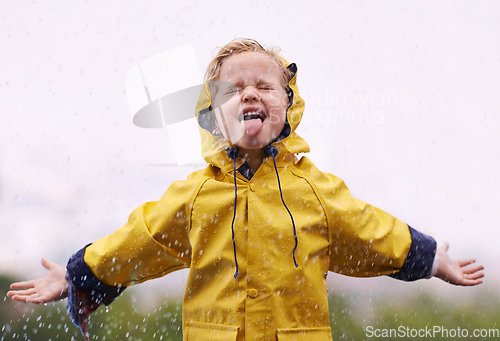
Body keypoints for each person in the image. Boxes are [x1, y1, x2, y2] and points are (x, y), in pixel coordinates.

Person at [8, 38, 484, 341]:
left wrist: (432, 259)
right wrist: (78, 275)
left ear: (288, 106)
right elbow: (139, 239)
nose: (250, 94)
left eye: (265, 86)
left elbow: (369, 229)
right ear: (214, 116)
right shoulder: (195, 197)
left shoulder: (314, 191)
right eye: (234, 90)